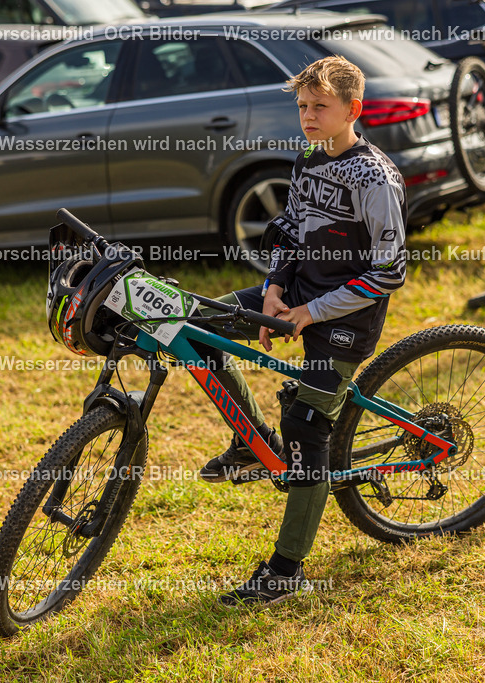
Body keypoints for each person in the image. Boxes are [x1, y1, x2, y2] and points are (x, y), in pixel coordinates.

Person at [198, 56, 407, 606]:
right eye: (302, 106)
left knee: (307, 427)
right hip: (295, 296)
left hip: (346, 318)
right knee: (197, 328)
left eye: (320, 107)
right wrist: (274, 288)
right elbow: (290, 230)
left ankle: (286, 570)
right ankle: (253, 444)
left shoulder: (375, 177)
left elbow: (390, 270)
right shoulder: (308, 157)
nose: (308, 116)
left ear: (352, 110)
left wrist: (312, 314)